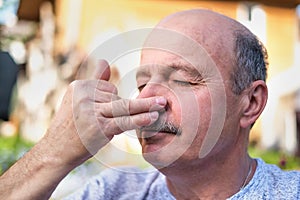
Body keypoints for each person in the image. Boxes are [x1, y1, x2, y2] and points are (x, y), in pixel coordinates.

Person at [1, 8, 300, 200]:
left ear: (250, 103)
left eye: (182, 80)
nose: (146, 100)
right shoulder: (113, 192)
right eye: (142, 84)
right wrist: (54, 153)